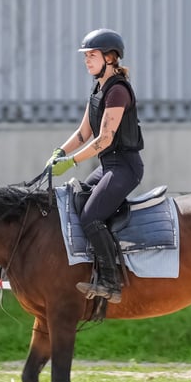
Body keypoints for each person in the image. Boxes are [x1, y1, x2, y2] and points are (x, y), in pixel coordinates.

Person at [47, 28, 145, 304]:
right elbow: (84, 132)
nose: (87, 61)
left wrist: (71, 162)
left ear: (111, 58)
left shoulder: (117, 92)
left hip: (125, 168)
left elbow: (104, 139)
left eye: (92, 55)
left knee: (91, 216)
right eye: (86, 56)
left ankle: (111, 281)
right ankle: (94, 265)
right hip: (108, 166)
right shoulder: (99, 89)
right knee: (76, 199)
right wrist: (60, 151)